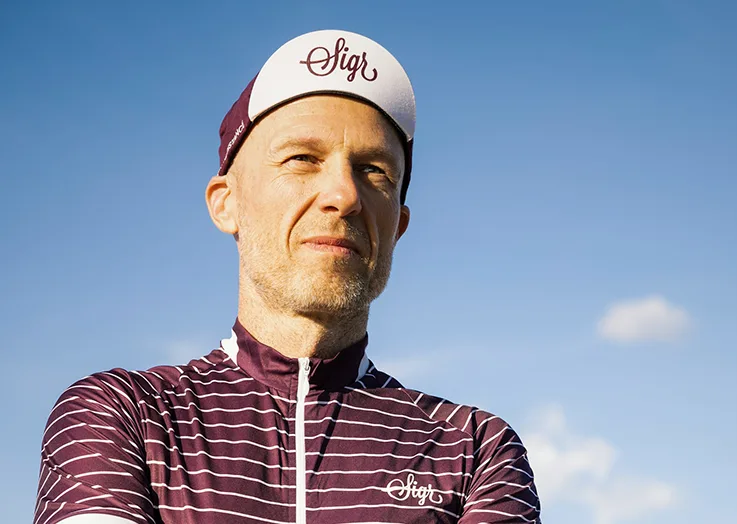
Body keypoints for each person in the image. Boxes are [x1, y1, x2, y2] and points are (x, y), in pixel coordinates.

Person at [34, 29, 541, 524]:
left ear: (399, 225)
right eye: (302, 158)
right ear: (226, 203)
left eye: (374, 170)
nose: (343, 196)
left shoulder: (474, 450)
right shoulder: (122, 416)